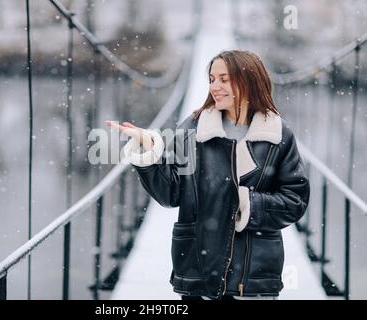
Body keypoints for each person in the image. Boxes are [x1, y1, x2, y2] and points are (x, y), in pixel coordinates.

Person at [104, 50, 310, 300]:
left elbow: (295, 201)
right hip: (198, 269)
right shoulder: (193, 128)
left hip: (253, 274)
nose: (215, 86)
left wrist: (245, 203)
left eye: (224, 79)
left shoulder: (278, 135)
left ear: (249, 80)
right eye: (212, 79)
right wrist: (149, 151)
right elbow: (171, 193)